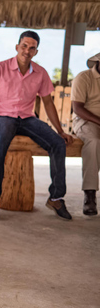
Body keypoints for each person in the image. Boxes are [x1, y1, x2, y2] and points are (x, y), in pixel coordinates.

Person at [0, 30, 74, 221]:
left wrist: (60, 131)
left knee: (57, 143)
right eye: (24, 46)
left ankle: (56, 197)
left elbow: (47, 103)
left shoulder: (40, 73)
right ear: (17, 47)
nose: (27, 51)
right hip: (1, 117)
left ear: (36, 52)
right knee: (1, 140)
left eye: (32, 48)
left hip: (27, 118)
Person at [71, 52, 100, 216]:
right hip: (86, 120)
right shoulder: (83, 77)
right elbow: (78, 109)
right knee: (94, 141)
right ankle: (90, 195)